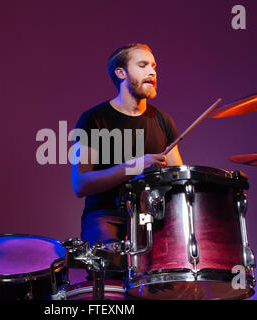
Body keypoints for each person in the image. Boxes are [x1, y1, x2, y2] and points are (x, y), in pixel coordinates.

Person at [71, 43, 183, 277]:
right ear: (120, 73)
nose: (152, 72)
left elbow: (177, 181)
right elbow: (81, 184)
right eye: (142, 65)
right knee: (111, 274)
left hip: (151, 218)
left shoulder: (163, 121)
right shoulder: (93, 119)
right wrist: (135, 166)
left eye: (154, 66)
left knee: (172, 275)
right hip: (106, 215)